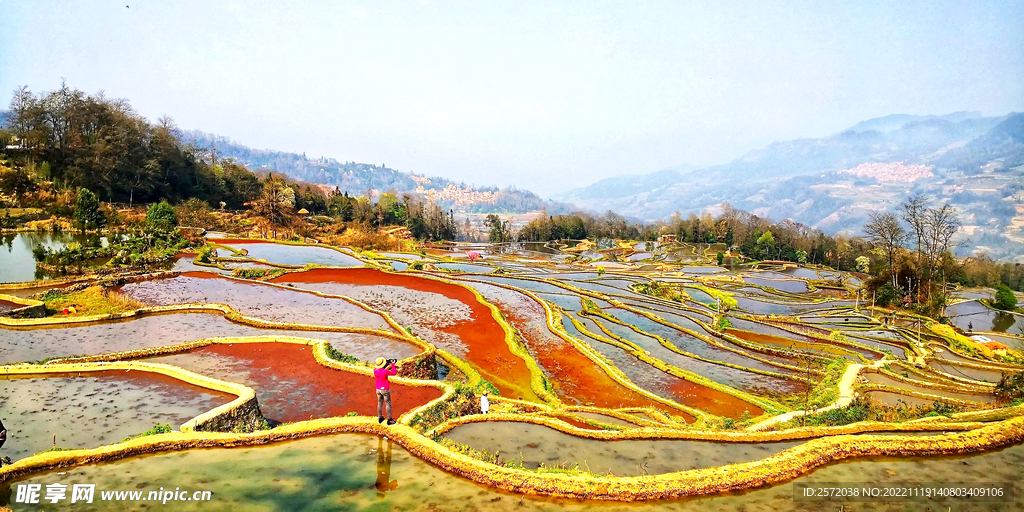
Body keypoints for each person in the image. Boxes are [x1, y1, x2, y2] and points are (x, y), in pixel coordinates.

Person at [374, 357, 398, 425]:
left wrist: (387, 363)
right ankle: (389, 420)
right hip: (384, 389)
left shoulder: (375, 370)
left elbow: (382, 368)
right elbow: (394, 373)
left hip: (378, 389)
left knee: (379, 403)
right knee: (388, 404)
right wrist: (393, 364)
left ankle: (380, 417)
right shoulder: (385, 372)